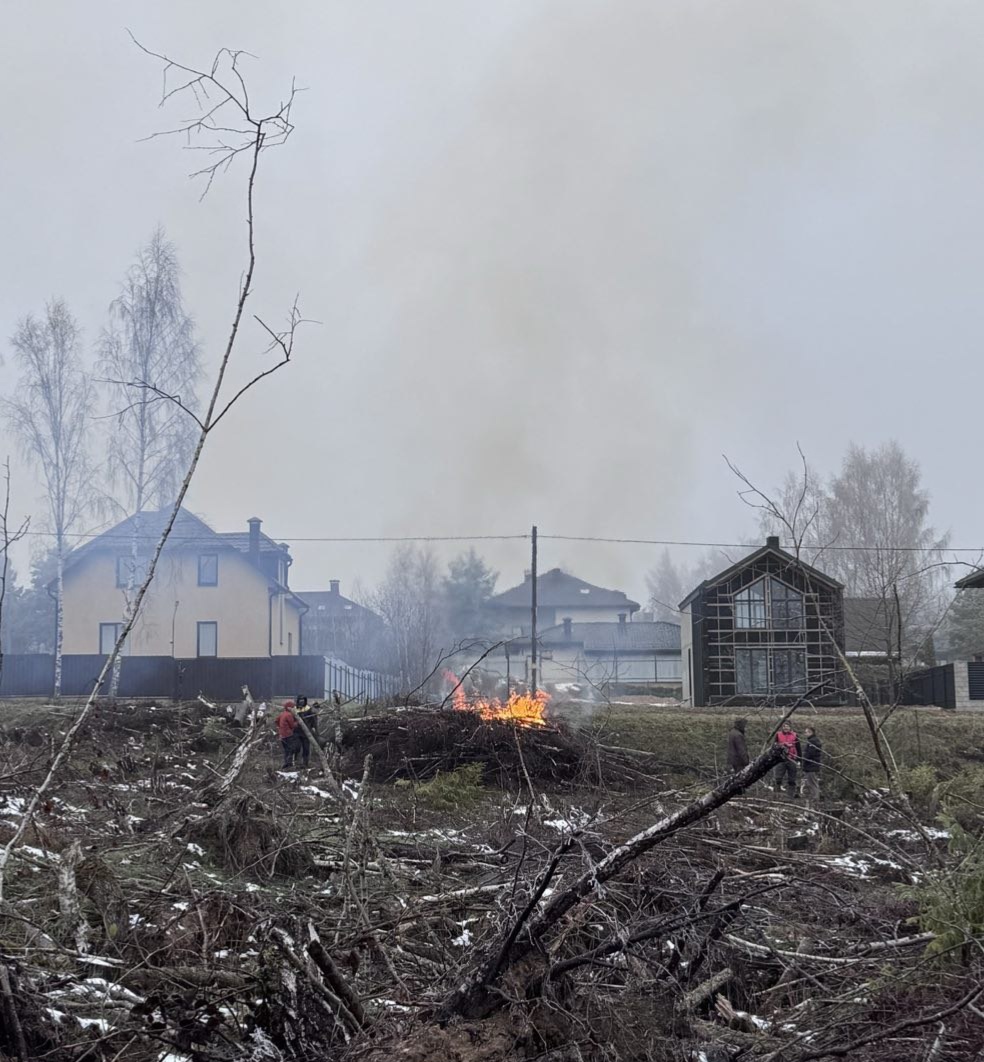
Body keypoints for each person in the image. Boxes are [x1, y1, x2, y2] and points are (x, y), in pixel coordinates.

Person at [773, 721, 801, 797]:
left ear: (790, 727)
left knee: (792, 779)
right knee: (778, 778)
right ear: (782, 727)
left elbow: (798, 748)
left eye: (787, 726)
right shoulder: (778, 735)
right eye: (784, 726)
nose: (786, 728)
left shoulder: (795, 735)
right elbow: (774, 746)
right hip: (780, 759)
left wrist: (799, 760)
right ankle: (776, 795)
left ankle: (790, 796)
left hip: (792, 758)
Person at [295, 694, 318, 768]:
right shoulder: (294, 709)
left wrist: (314, 727)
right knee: (296, 747)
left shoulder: (308, 709)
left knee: (306, 748)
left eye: (303, 700)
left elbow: (314, 720)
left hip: (306, 732)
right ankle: (296, 762)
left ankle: (305, 763)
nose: (301, 701)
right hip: (297, 732)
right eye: (300, 700)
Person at [276, 700, 301, 770]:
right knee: (291, 749)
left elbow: (276, 720)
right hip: (288, 735)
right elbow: (293, 726)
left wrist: (280, 727)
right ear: (290, 707)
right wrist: (297, 722)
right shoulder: (289, 715)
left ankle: (286, 763)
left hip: (282, 736)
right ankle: (288, 764)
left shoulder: (282, 714)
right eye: (293, 707)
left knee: (286, 750)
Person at [801, 726, 822, 803]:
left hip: (811, 766)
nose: (805, 734)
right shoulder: (813, 741)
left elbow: (810, 754)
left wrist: (803, 760)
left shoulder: (813, 742)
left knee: (812, 783)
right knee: (811, 782)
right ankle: (814, 797)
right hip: (812, 766)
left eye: (806, 732)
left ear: (811, 732)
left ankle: (815, 798)